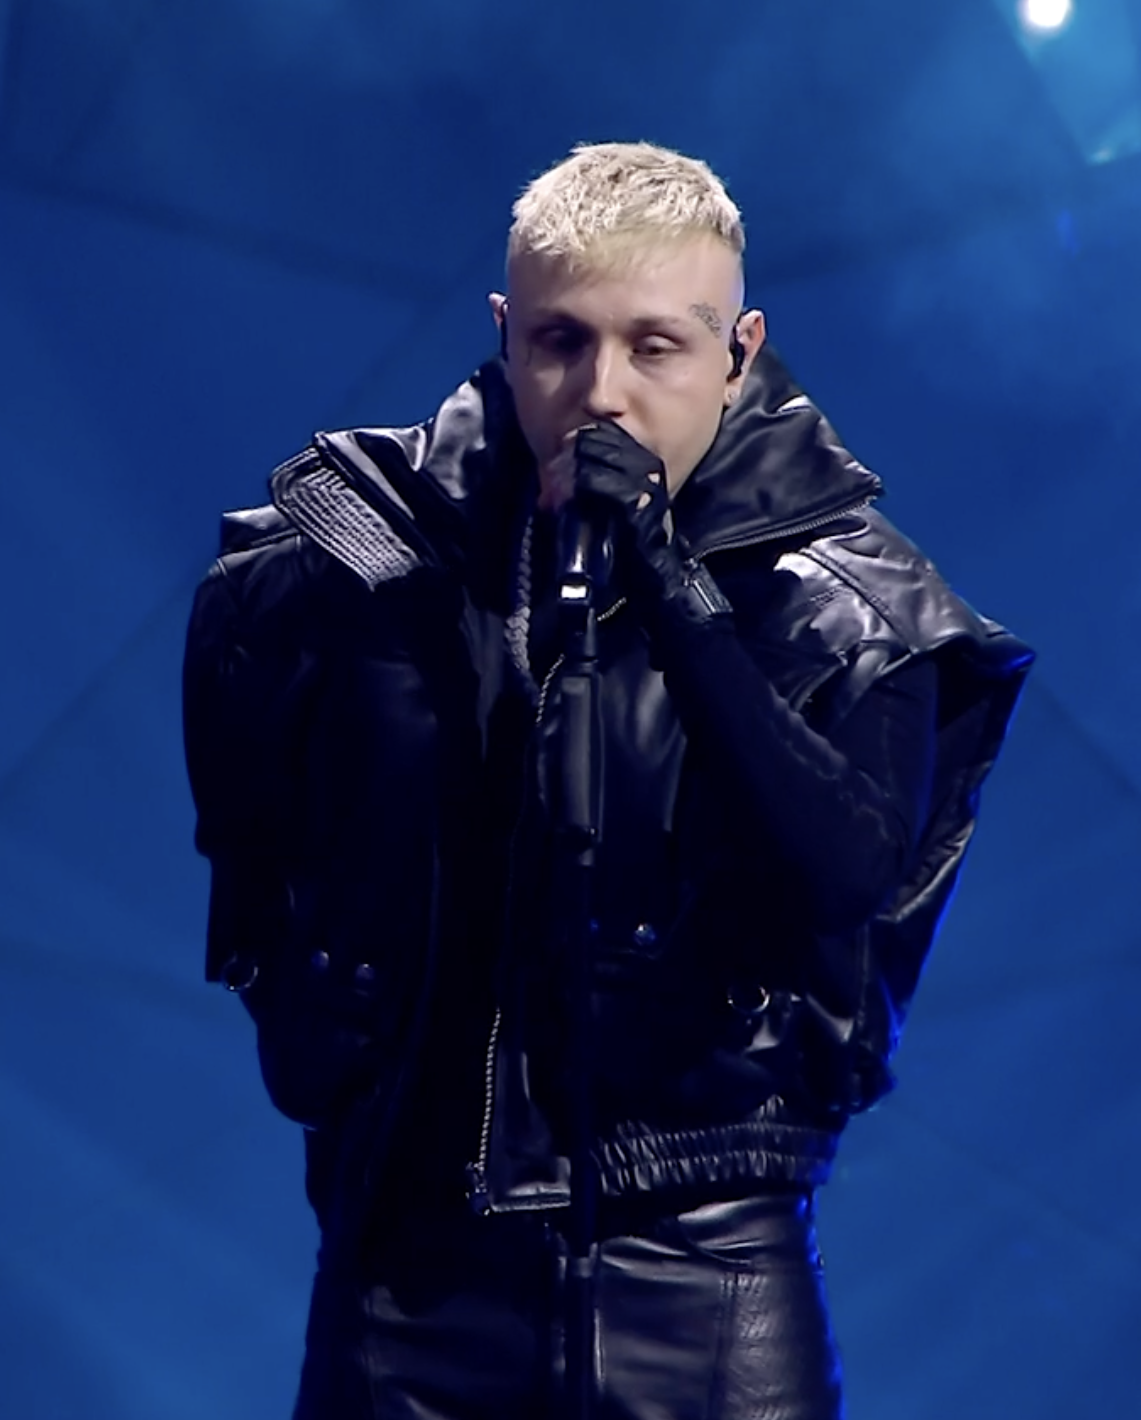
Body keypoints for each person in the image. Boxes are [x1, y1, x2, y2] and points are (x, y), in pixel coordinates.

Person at [183, 141, 1033, 1420]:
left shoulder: (852, 605)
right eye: (560, 342)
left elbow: (846, 876)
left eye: (654, 347)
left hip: (704, 1276)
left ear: (738, 351)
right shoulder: (354, 565)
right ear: (503, 332)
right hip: (407, 1277)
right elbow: (255, 844)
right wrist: (328, 1051)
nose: (601, 393)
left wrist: (669, 587)